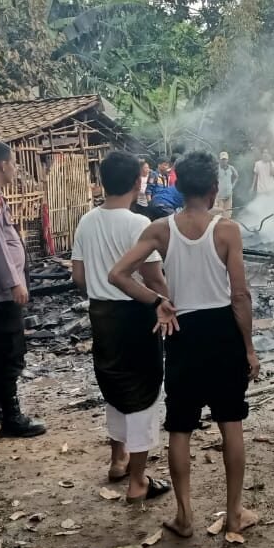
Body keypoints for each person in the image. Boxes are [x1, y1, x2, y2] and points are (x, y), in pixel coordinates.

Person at [109, 152, 260, 538]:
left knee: (181, 426)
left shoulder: (160, 228)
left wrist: (157, 301)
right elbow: (240, 295)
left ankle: (184, 516)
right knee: (231, 422)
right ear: (213, 190)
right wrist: (249, 348)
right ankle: (234, 515)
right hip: (223, 329)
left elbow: (118, 274)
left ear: (177, 186)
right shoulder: (227, 230)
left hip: (182, 331)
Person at [71, 151, 172, 503]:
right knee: (143, 392)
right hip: (136, 317)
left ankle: (118, 460)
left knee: (113, 384)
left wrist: (100, 293)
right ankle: (138, 481)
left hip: (101, 315)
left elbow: (79, 278)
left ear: (101, 182)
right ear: (136, 182)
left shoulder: (86, 221)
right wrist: (168, 305)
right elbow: (153, 278)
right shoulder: (138, 225)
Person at [0, 141, 47, 438]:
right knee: (9, 352)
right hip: (0, 292)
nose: (16, 168)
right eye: (14, 163)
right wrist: (14, 281)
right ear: (3, 164)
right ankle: (11, 417)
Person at [215, 152, 239, 219]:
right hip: (220, 195)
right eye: (222, 159)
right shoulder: (217, 169)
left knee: (228, 214)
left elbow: (236, 176)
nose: (224, 161)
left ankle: (226, 227)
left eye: (225, 159)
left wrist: (233, 186)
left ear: (227, 160)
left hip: (228, 194)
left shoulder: (231, 168)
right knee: (219, 214)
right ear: (219, 160)